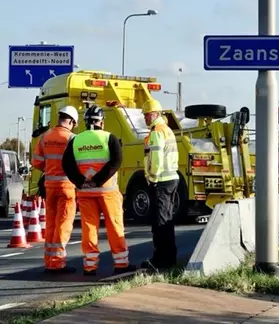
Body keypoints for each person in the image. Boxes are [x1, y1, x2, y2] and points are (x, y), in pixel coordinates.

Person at [62, 105, 135, 276]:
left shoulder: (75, 140)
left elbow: (66, 164)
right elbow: (116, 161)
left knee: (89, 228)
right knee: (114, 226)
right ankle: (121, 264)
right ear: (102, 122)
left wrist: (81, 182)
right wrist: (99, 180)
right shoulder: (110, 138)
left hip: (85, 192)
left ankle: (90, 266)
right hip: (107, 191)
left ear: (86, 123)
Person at [31, 105, 79, 274]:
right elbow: (77, 164)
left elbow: (36, 162)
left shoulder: (45, 138)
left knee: (50, 225)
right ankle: (58, 263)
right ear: (71, 121)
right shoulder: (72, 138)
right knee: (63, 225)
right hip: (66, 187)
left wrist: (50, 168)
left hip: (49, 187)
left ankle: (49, 263)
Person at [141, 99, 180, 271]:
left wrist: (153, 179)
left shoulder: (157, 132)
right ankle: (169, 258)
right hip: (171, 178)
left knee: (159, 221)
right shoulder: (167, 129)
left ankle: (161, 260)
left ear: (155, 114)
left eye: (147, 114)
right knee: (167, 219)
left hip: (162, 181)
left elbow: (155, 159)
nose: (145, 118)